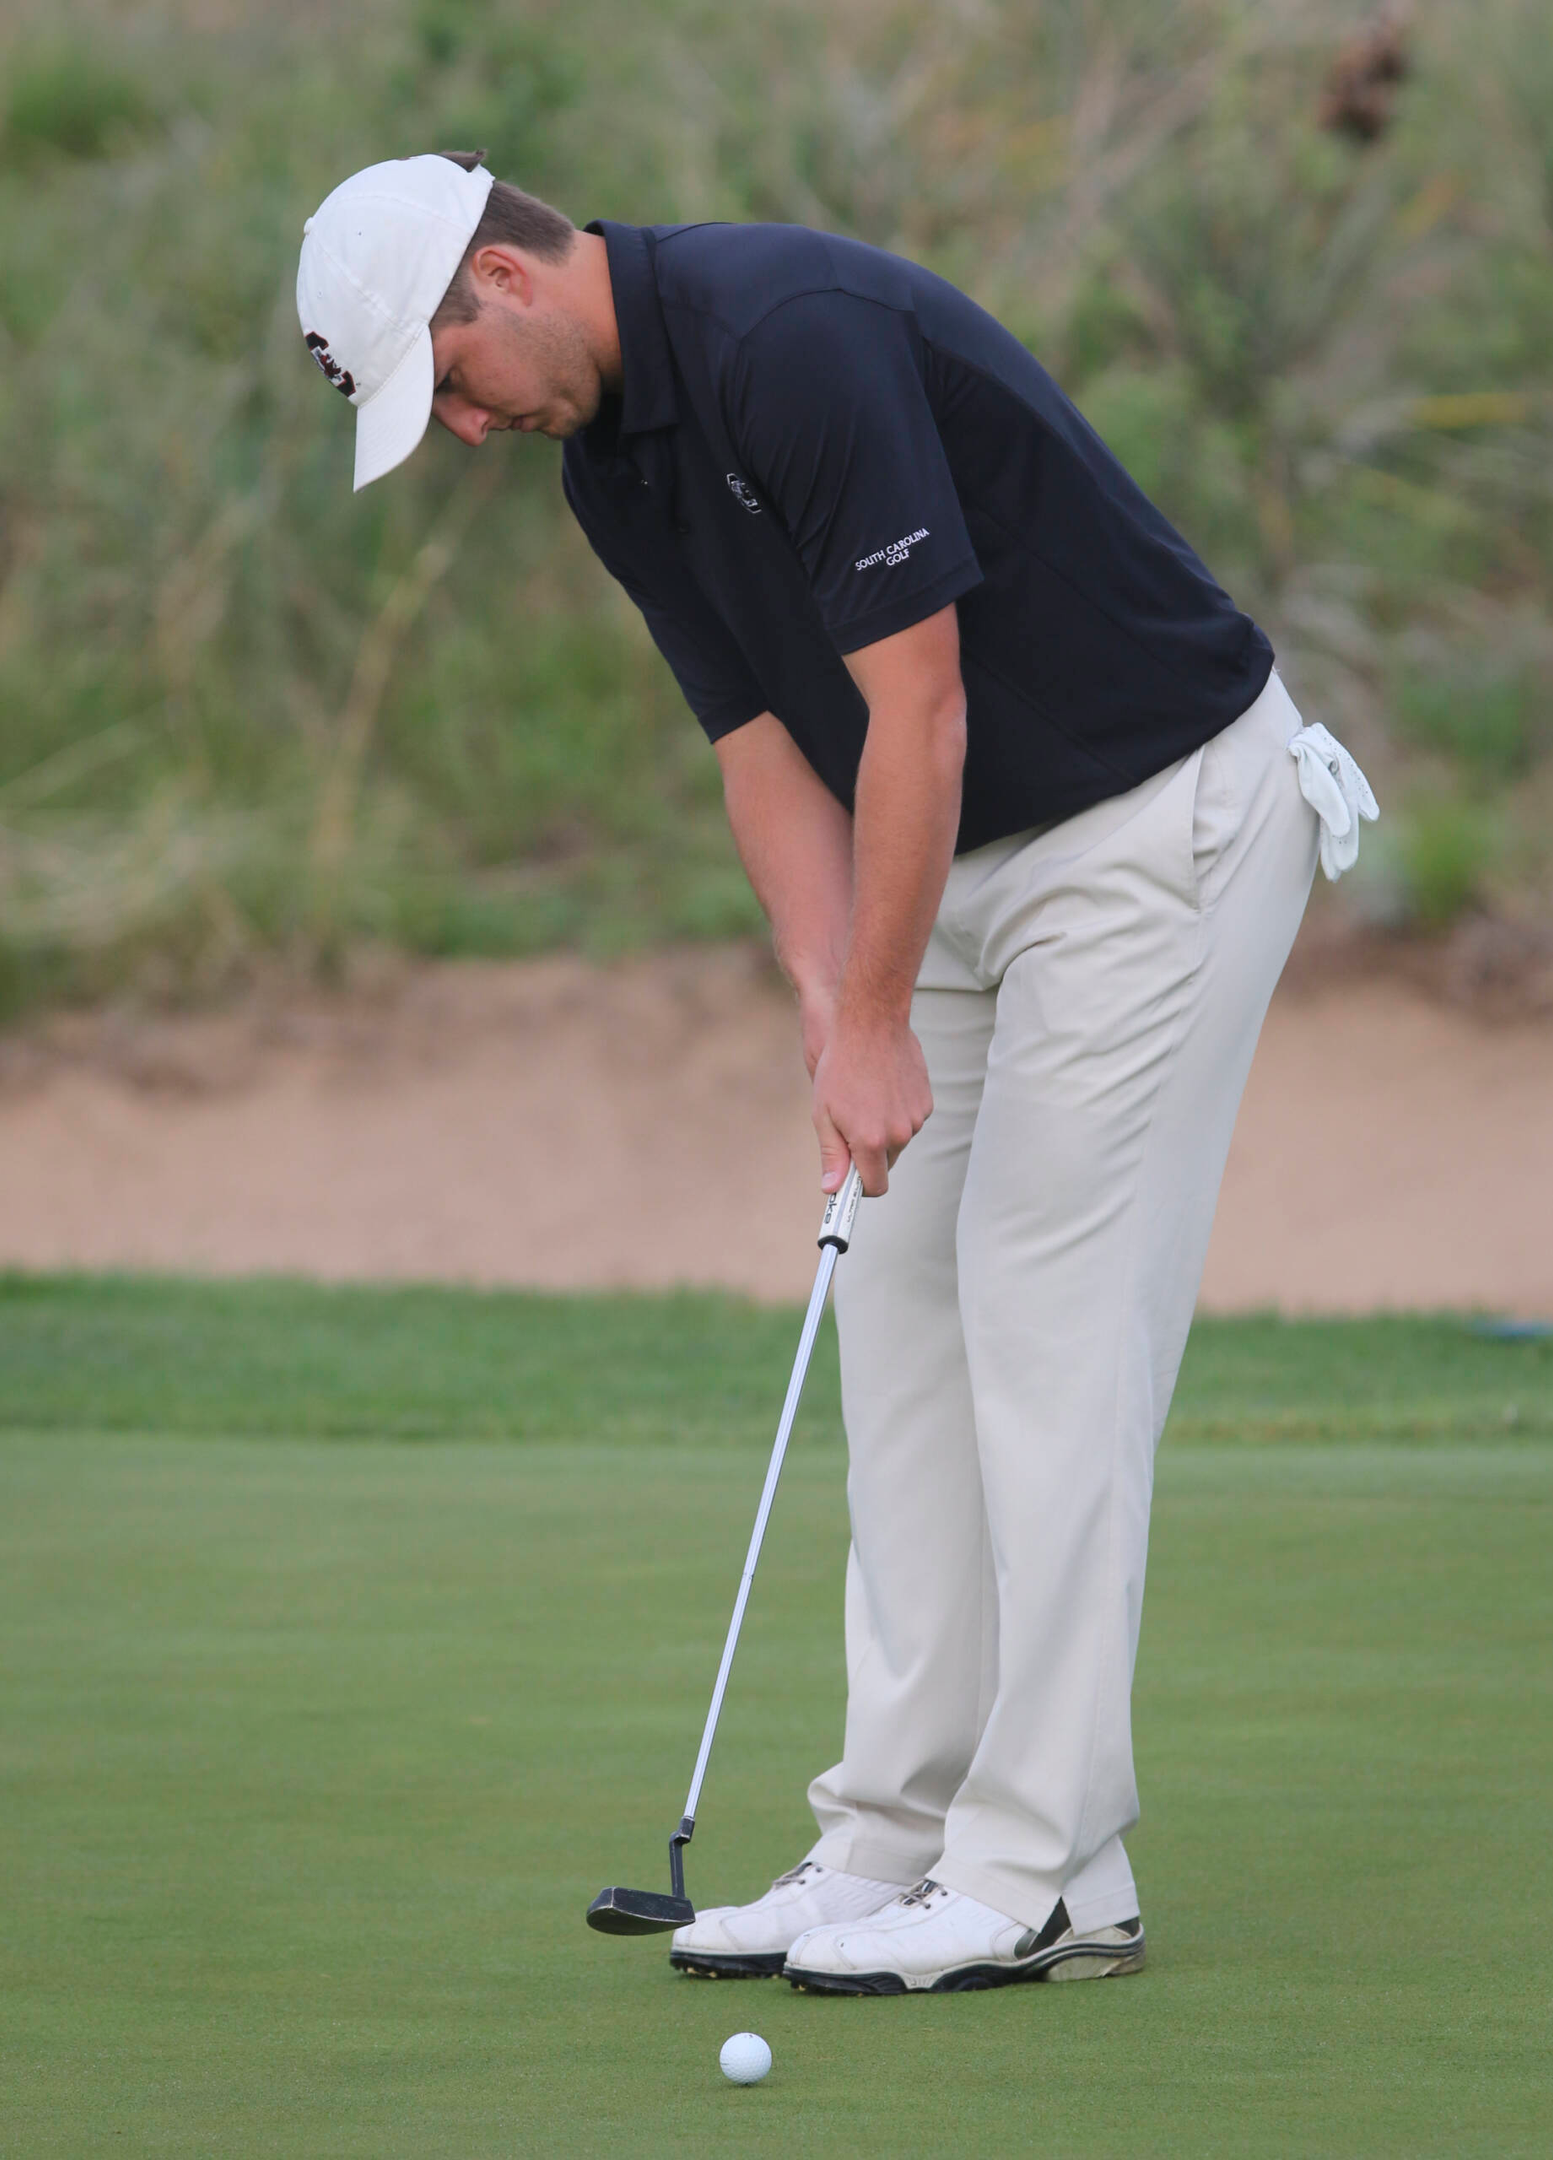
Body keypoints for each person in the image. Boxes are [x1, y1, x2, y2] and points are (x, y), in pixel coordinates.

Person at [296, 153, 1376, 1995]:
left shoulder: (786, 337)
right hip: (940, 854)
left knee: (1046, 1312)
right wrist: (829, 999)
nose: (467, 431)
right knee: (896, 1320)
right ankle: (892, 1836)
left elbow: (922, 699)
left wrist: (882, 1013)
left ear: (505, 276)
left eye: (454, 382)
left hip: (1157, 821)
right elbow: (763, 745)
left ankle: (1040, 1871)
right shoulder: (605, 457)